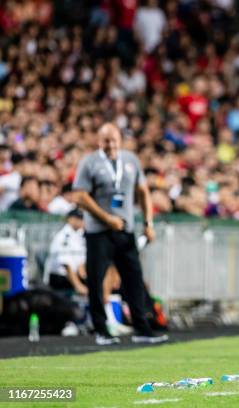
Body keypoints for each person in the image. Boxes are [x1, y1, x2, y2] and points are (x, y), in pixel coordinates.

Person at [72, 123, 168, 346]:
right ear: (99, 141)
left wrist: (148, 222)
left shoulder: (131, 160)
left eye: (114, 140)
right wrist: (107, 218)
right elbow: (80, 197)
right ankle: (101, 330)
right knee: (96, 280)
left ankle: (142, 328)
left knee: (134, 279)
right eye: (106, 141)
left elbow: (143, 191)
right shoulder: (89, 162)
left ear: (120, 140)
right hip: (99, 231)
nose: (111, 145)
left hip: (125, 230)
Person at [43, 209, 88, 296]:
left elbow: (81, 263)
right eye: (78, 218)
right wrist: (78, 285)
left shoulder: (80, 235)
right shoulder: (63, 236)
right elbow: (66, 264)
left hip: (73, 276)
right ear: (70, 219)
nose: (81, 221)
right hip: (60, 278)